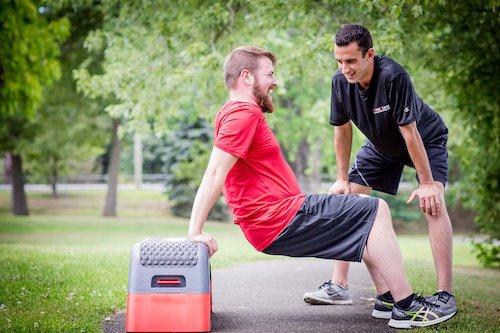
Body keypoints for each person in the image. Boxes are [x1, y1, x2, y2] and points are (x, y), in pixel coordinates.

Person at [187, 45, 455, 328]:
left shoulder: (234, 112)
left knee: (362, 214)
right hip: (278, 217)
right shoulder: (243, 114)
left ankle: (387, 298)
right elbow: (215, 171)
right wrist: (195, 230)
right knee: (376, 210)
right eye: (269, 74)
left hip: (275, 218)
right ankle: (407, 306)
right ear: (247, 77)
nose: (274, 82)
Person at [303, 23, 457, 319]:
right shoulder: (340, 83)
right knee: (348, 200)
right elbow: (341, 130)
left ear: (369, 55)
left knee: (433, 203)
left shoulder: (392, 76)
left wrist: (427, 183)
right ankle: (339, 285)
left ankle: (444, 294)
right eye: (339, 61)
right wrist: (341, 178)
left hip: (424, 138)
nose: (345, 68)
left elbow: (410, 132)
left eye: (351, 61)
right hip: (381, 145)